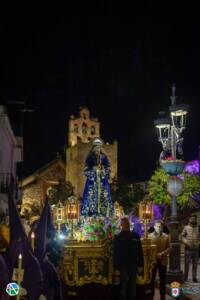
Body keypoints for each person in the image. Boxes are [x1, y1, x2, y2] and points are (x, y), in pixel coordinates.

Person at [81, 138, 113, 217]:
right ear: (93, 148)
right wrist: (93, 169)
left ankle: (105, 213)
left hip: (102, 181)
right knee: (90, 196)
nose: (98, 149)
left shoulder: (104, 157)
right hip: (92, 181)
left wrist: (103, 170)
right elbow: (86, 169)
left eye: (99, 147)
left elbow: (108, 168)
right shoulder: (90, 157)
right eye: (96, 147)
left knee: (104, 196)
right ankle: (90, 213)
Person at [113, 217, 144, 300]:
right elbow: (115, 254)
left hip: (133, 264)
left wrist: (141, 264)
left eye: (126, 223)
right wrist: (116, 267)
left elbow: (140, 251)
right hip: (123, 266)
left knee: (133, 286)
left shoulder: (135, 235)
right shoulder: (118, 237)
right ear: (121, 225)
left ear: (129, 224)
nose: (125, 225)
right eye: (123, 224)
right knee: (123, 286)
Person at [149, 220, 170, 300]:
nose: (159, 228)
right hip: (152, 262)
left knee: (162, 281)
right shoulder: (150, 236)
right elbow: (148, 248)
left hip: (163, 261)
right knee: (152, 281)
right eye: (157, 226)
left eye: (160, 226)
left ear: (162, 227)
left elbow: (169, 248)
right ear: (154, 227)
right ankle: (151, 297)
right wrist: (154, 255)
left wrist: (162, 254)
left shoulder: (166, 236)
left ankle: (162, 297)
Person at [181, 214, 200, 282]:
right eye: (191, 219)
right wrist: (185, 242)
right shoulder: (186, 227)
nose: (192, 220)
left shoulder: (198, 228)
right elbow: (182, 236)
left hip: (196, 249)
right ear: (189, 219)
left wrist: (198, 243)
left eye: (194, 219)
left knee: (195, 264)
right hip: (188, 249)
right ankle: (185, 277)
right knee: (187, 264)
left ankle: (194, 277)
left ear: (195, 220)